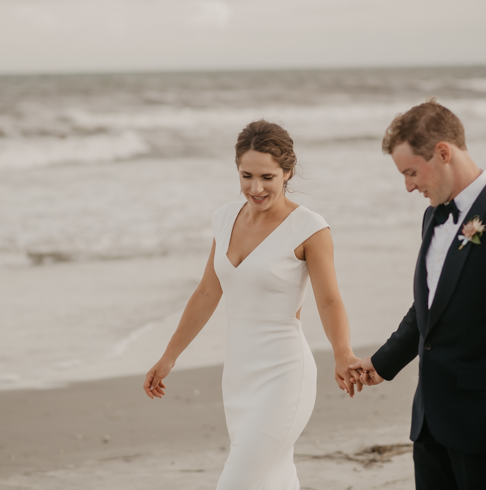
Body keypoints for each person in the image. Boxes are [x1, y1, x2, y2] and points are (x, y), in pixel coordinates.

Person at [143, 119, 361, 489]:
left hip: (285, 375)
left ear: (287, 172)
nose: (255, 188)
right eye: (246, 176)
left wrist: (343, 354)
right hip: (240, 376)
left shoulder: (309, 228)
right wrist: (169, 356)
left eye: (268, 177)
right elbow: (207, 293)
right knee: (274, 479)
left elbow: (329, 299)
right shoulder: (225, 219)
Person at [350, 99, 486, 490]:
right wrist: (381, 364)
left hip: (484, 428)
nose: (409, 186)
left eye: (411, 172)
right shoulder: (433, 215)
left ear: (443, 153)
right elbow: (428, 308)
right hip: (429, 423)